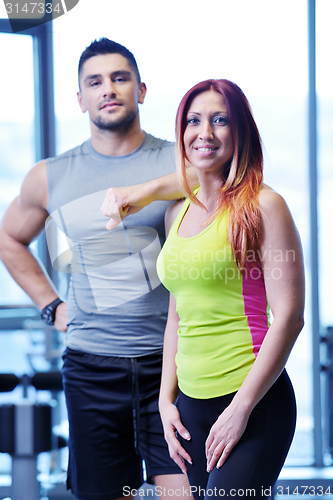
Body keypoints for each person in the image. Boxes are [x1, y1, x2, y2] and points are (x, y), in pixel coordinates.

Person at [0, 38, 193, 500]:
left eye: (120, 78)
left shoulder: (179, 163)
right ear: (81, 98)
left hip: (174, 366)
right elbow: (9, 239)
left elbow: (233, 189)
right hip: (92, 369)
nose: (108, 89)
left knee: (185, 493)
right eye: (95, 81)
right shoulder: (52, 175)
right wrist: (52, 307)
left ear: (141, 90)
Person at [154, 79, 305, 499]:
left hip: (252, 402)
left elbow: (290, 318)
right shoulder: (177, 213)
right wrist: (166, 402)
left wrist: (240, 410)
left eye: (220, 120)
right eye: (193, 121)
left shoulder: (263, 205)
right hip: (190, 407)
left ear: (240, 132)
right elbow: (177, 316)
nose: (205, 132)